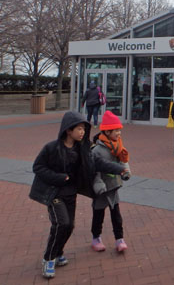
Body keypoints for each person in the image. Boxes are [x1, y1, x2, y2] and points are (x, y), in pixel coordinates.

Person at [29, 111, 128, 279]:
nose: (82, 132)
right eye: (79, 129)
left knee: (70, 226)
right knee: (62, 223)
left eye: (84, 129)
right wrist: (59, 177)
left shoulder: (82, 149)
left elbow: (98, 163)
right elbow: (38, 167)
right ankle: (48, 259)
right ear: (69, 130)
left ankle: (58, 252)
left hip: (70, 193)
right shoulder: (51, 148)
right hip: (54, 193)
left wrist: (120, 169)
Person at [90, 111, 131, 253]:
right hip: (101, 189)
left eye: (119, 130)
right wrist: (98, 184)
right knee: (98, 214)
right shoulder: (97, 151)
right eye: (116, 130)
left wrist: (125, 172)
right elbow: (94, 170)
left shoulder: (118, 145)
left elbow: (123, 160)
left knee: (116, 215)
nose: (119, 133)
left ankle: (119, 239)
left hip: (113, 187)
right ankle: (96, 237)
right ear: (107, 132)